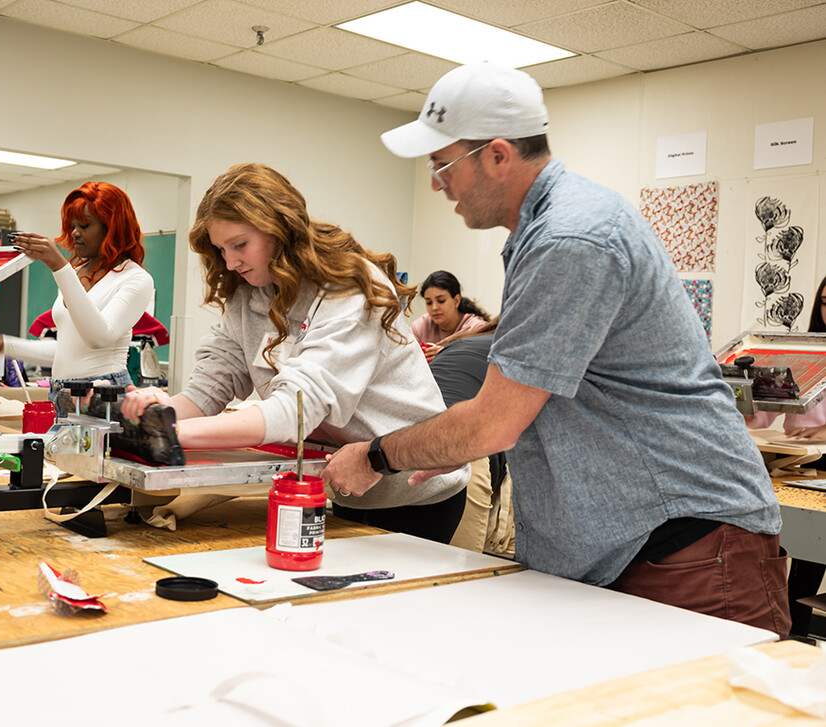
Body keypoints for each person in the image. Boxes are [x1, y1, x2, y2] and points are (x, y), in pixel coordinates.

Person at [321, 62, 788, 635]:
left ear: (497, 155)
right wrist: (449, 441)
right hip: (624, 546)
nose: (437, 183)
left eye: (443, 164)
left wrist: (376, 455)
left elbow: (495, 423)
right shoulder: (542, 232)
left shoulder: (571, 238)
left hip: (683, 545)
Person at [121, 162, 469, 543]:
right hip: (345, 480)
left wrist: (171, 433)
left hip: (414, 489)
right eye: (221, 249)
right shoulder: (247, 294)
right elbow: (208, 389)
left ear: (281, 229)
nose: (230, 262)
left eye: (240, 244)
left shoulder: (350, 288)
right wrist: (157, 414)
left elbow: (294, 412)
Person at [0, 182, 154, 415]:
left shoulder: (135, 279)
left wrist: (59, 267)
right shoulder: (74, 274)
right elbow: (67, 350)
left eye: (84, 225)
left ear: (112, 228)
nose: (75, 233)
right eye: (72, 225)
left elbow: (99, 337)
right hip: (61, 392)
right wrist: (4, 345)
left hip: (102, 392)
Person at [743, 273, 826, 636]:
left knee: (810, 561)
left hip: (821, 465)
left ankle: (795, 635)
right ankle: (789, 635)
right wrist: (741, 395)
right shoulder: (808, 354)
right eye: (825, 301)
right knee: (798, 555)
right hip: (795, 464)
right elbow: (763, 411)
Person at [428, 319, 513, 556]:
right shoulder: (517, 351)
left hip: (407, 442)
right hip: (462, 458)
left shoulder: (463, 341)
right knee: (457, 579)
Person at [411, 270, 489, 361]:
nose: (434, 308)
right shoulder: (421, 326)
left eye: (441, 301)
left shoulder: (476, 328)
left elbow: (481, 363)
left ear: (456, 301)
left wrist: (447, 354)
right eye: (429, 303)